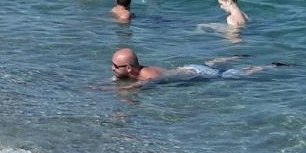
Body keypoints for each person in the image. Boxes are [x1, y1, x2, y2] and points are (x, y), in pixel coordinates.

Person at [112, 48, 289, 85]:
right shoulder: (136, 70)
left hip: (198, 74)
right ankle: (235, 56)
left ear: (128, 68)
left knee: (239, 74)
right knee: (212, 64)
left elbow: (131, 89)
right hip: (190, 67)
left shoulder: (148, 77)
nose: (112, 68)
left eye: (114, 66)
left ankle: (271, 66)